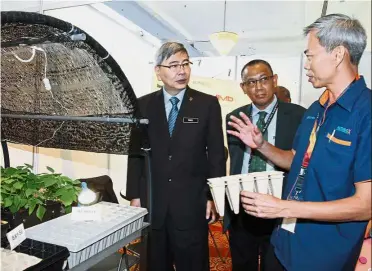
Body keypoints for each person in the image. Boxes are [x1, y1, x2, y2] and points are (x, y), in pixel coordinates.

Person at [227, 13, 371, 271]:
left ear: (337, 55)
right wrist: (261, 145)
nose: (306, 64)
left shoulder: (366, 113)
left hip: (325, 254)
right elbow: (297, 158)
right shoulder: (317, 108)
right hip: (285, 242)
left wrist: (284, 206)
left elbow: (365, 205)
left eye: (310, 55)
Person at [126, 41, 226, 271]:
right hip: (153, 202)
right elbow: (135, 154)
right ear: (158, 71)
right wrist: (134, 195)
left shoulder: (207, 104)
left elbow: (217, 155)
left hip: (192, 203)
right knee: (154, 264)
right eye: (173, 65)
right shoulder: (142, 105)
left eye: (185, 64)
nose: (181, 71)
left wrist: (213, 196)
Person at [225, 59, 306, 271]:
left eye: (264, 79)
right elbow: (235, 162)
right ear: (243, 88)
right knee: (242, 265)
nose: (258, 87)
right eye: (251, 82)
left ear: (274, 80)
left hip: (279, 207)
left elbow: (300, 164)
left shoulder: (298, 115)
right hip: (242, 206)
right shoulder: (233, 117)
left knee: (276, 266)